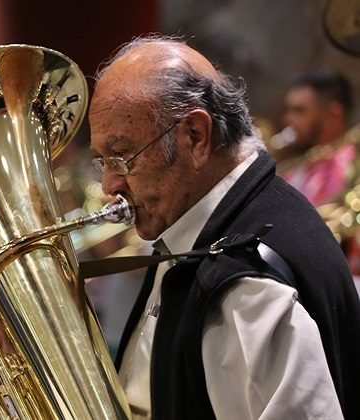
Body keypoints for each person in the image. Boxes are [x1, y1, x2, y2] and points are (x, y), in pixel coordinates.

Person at [82, 36, 360, 419]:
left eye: (122, 156)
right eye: (103, 161)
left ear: (195, 136)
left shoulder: (249, 291)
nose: (109, 185)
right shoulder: (204, 230)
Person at [278, 71, 356, 205]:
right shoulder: (300, 161)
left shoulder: (346, 172)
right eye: (288, 110)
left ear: (333, 115)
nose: (287, 120)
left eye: (299, 111)